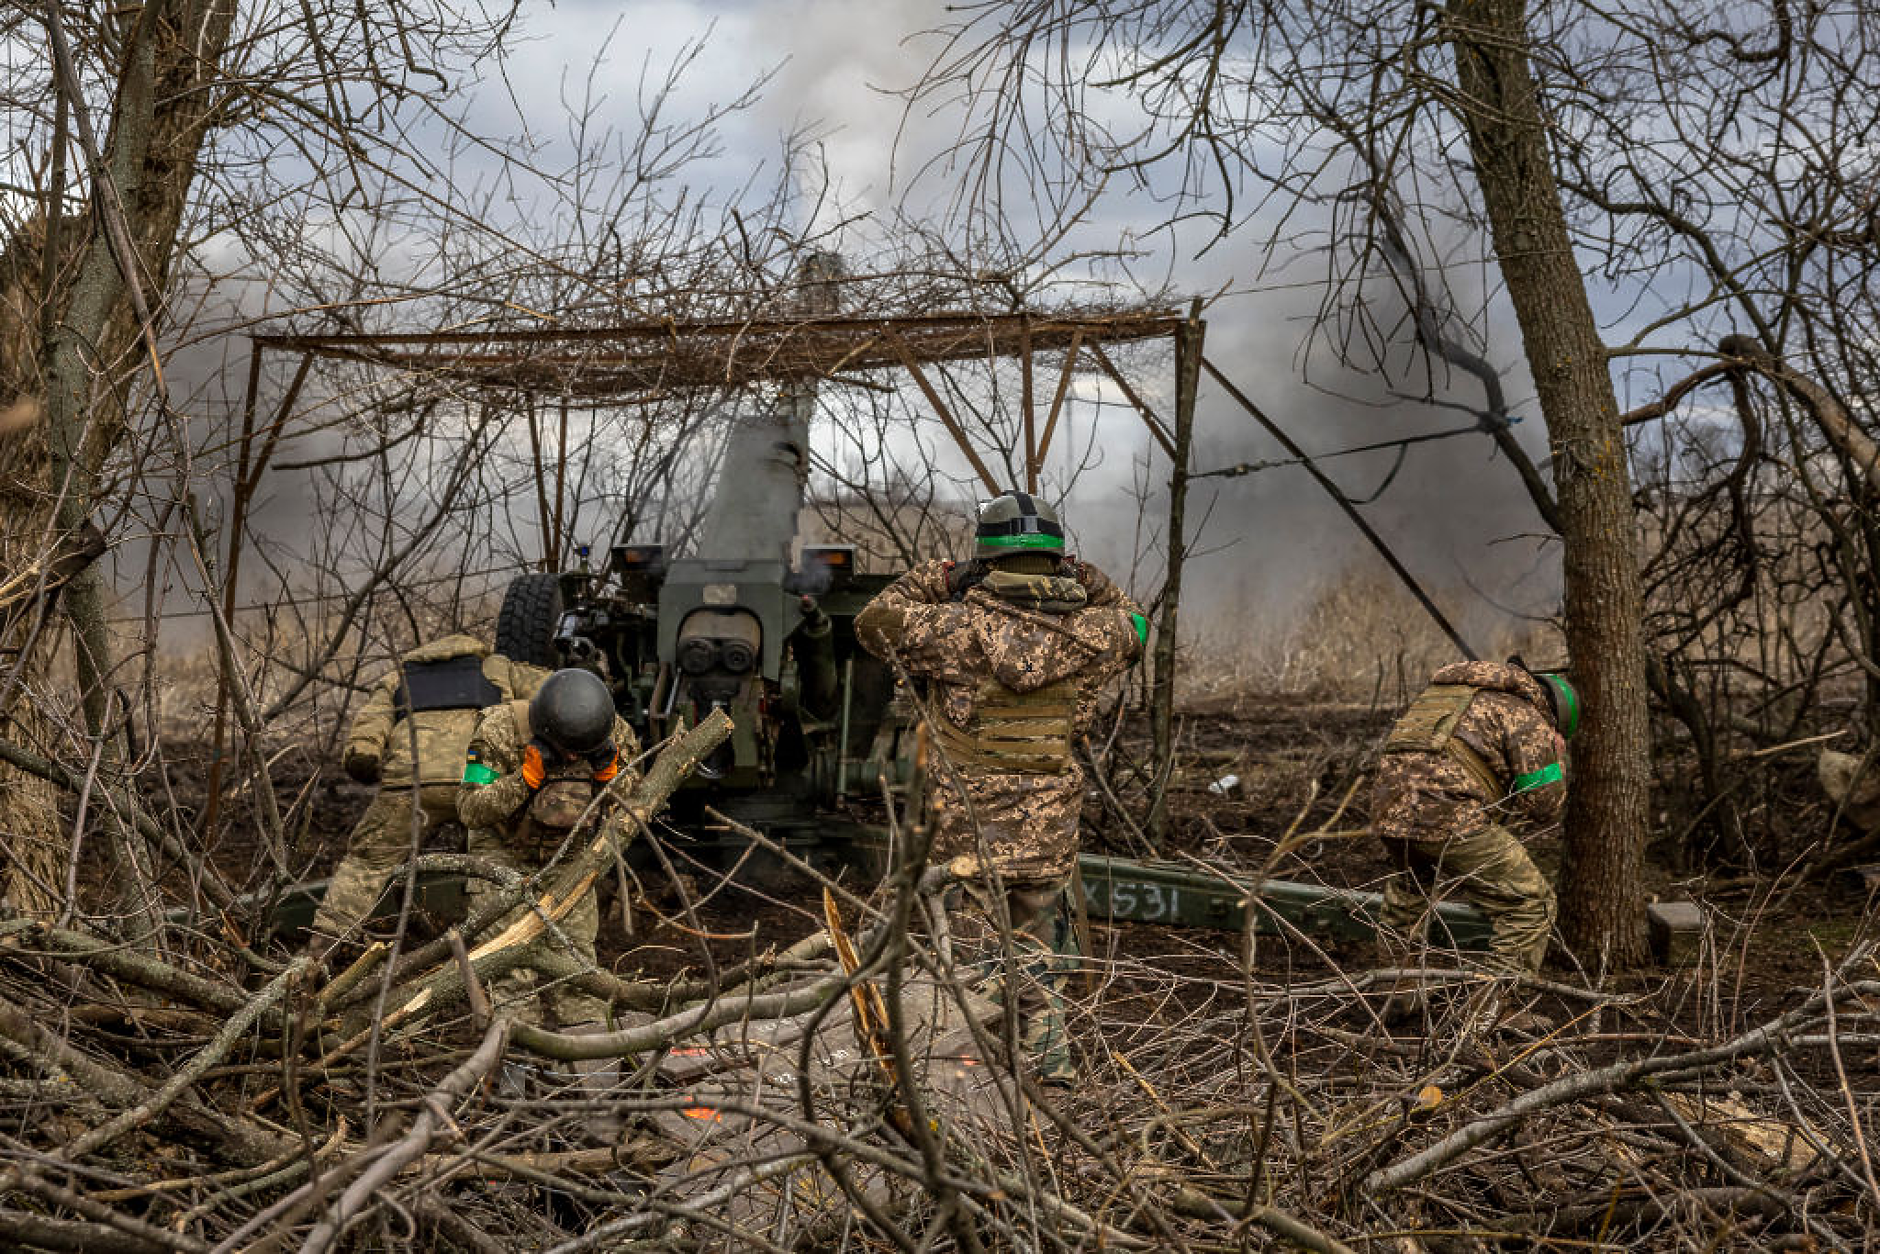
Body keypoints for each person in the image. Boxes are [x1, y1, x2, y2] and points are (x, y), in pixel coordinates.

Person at [854, 490, 1145, 1084]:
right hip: (1048, 833)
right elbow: (1137, 620)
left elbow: (871, 623)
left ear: (985, 563)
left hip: (969, 838)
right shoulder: (1098, 632)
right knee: (1039, 965)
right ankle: (1051, 1079)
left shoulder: (952, 630)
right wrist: (1085, 580)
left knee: (976, 966)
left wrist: (937, 578)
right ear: (1057, 559)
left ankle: (983, 1088)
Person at [309, 634, 549, 955]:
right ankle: (500, 945)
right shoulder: (498, 668)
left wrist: (370, 769)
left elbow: (364, 742)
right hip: (478, 772)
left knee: (367, 863)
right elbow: (562, 694)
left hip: (411, 780)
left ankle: (323, 947)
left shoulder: (397, 678)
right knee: (497, 860)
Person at [1370, 658, 1579, 1025]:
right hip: (1449, 815)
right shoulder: (1524, 714)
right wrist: (1557, 760)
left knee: (1410, 893)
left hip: (1389, 809)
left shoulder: (1445, 696)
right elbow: (1544, 807)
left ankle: (1397, 993)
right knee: (1531, 902)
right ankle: (1492, 1011)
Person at [456, 667, 639, 1029]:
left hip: (571, 853)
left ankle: (588, 1053)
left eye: (581, 753)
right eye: (565, 751)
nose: (573, 759)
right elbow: (469, 809)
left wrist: (613, 780)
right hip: (503, 850)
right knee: (509, 967)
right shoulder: (496, 732)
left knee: (576, 962)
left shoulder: (613, 732)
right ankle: (514, 1055)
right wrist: (523, 781)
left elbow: (640, 797)